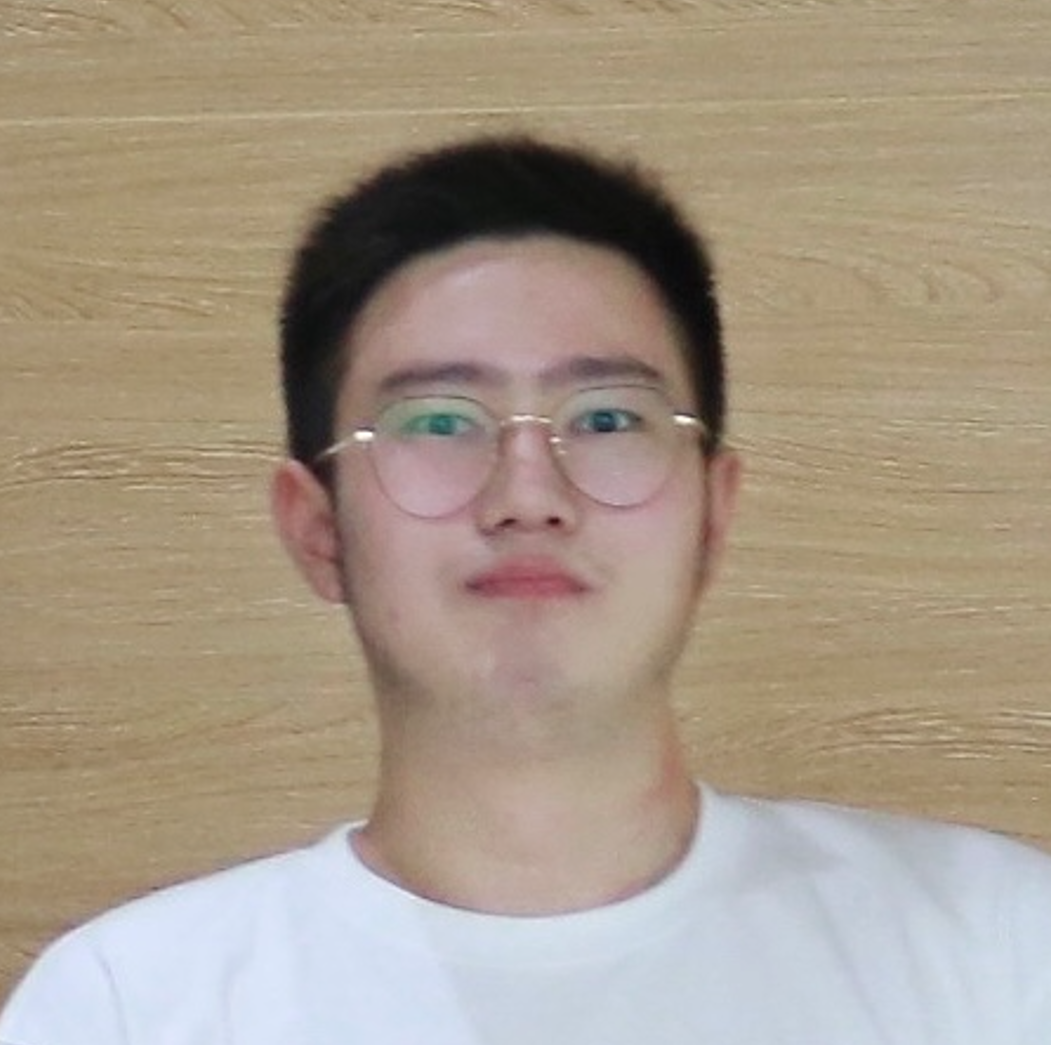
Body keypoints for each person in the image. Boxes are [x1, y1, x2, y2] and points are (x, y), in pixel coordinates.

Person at [2, 134, 1050, 1044]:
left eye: (605, 418)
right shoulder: (130, 1007)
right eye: (438, 422)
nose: (529, 495)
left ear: (713, 516)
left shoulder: (995, 950)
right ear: (317, 529)